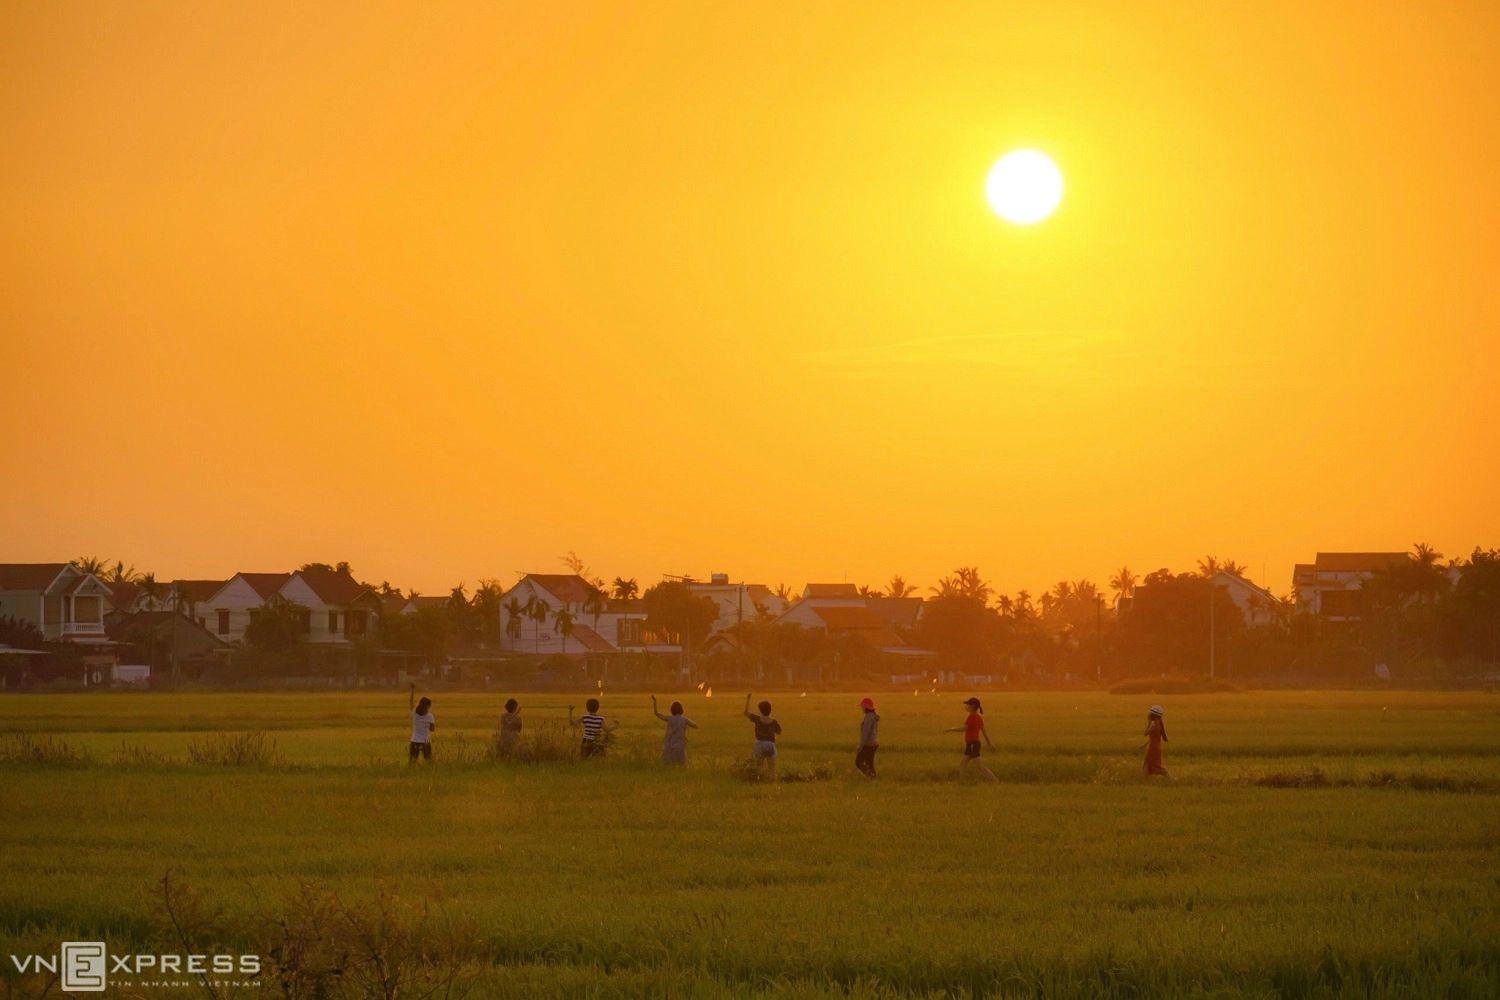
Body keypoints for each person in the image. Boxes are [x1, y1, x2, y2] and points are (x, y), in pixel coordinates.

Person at [944, 696, 997, 782]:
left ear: (972, 706)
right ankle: (962, 782)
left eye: (968, 705)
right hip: (972, 744)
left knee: (980, 766)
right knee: (962, 765)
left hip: (972, 744)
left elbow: (964, 728)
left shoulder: (971, 717)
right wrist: (989, 744)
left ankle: (995, 780)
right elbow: (985, 733)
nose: (967, 706)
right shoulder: (979, 718)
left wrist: (951, 729)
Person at [743, 692, 782, 780]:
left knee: (759, 767)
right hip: (770, 745)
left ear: (761, 710)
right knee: (772, 768)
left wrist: (748, 699)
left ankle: (758, 781)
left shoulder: (757, 719)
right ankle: (773, 783)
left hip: (759, 744)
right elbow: (779, 732)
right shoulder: (773, 721)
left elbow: (746, 712)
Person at [651, 694, 698, 765]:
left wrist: (655, 702)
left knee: (667, 764)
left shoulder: (669, 718)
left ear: (671, 710)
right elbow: (695, 726)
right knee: (681, 765)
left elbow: (657, 713)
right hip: (680, 746)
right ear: (681, 710)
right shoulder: (684, 720)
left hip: (669, 746)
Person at [408, 684, 435, 764]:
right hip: (426, 741)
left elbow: (411, 702)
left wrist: (412, 690)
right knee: (429, 762)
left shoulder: (414, 713)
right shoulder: (430, 716)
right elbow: (432, 729)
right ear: (427, 707)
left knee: (412, 762)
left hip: (415, 740)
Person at [1140, 705, 1169, 777]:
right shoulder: (1158, 723)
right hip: (1155, 747)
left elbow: (1145, 733)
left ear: (1154, 715)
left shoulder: (1153, 725)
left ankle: (1171, 778)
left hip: (1153, 749)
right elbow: (1153, 738)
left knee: (1156, 766)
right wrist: (1145, 745)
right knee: (1146, 765)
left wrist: (1149, 722)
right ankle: (1145, 782)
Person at [855, 697, 879, 778]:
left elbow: (866, 733)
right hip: (874, 743)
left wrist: (861, 746)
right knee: (869, 764)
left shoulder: (869, 717)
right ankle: (872, 778)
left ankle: (870, 777)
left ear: (866, 707)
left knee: (858, 762)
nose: (862, 708)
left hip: (869, 745)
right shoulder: (873, 716)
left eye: (863, 707)